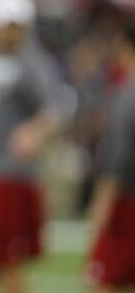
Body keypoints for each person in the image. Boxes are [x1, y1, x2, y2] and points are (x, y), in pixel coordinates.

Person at [0, 0, 66, 293]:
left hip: (12, 176)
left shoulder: (31, 61)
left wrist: (35, 131)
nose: (7, 32)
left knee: (9, 263)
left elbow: (58, 107)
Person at [86, 23, 135, 292]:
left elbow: (121, 151)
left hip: (126, 200)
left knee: (103, 280)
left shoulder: (128, 93)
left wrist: (104, 199)